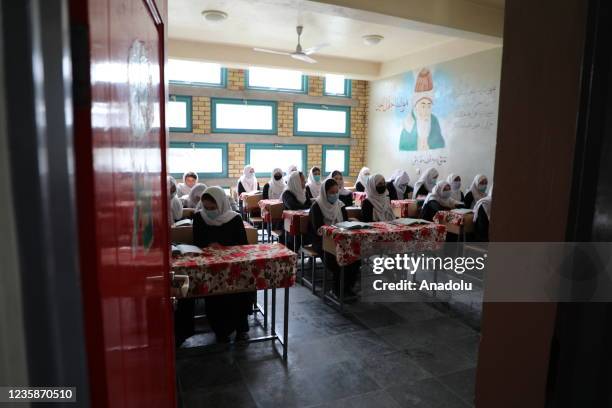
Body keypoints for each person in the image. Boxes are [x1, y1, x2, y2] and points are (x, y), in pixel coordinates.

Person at [192, 186, 253, 343]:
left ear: (221, 204)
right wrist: (209, 245)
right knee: (215, 297)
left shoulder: (234, 218)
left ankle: (241, 328)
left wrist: (225, 247)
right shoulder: (199, 218)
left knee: (241, 289)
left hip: (233, 266)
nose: (209, 211)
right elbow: (197, 242)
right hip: (212, 267)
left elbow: (243, 244)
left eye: (213, 208)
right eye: (206, 207)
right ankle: (220, 330)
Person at [309, 179, 359, 299]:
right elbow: (318, 229)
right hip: (322, 241)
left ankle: (347, 287)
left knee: (355, 258)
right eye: (332, 192)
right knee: (338, 259)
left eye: (337, 192)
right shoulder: (317, 206)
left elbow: (345, 222)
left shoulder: (340, 205)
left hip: (341, 239)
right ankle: (337, 290)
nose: (335, 195)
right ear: (325, 193)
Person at [399, 68, 445, 151]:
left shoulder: (434, 120)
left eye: (429, 106)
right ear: (416, 106)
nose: (426, 109)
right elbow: (403, 147)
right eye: (423, 106)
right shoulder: (409, 123)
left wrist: (429, 145)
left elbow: (440, 144)